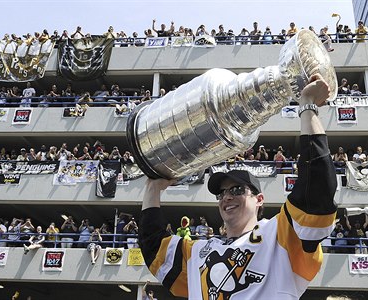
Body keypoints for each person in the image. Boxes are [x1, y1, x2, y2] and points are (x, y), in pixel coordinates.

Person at [139, 74, 337, 299]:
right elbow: (153, 246)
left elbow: (317, 190)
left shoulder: (280, 236)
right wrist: (153, 188)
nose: (226, 198)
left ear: (259, 199)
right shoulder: (199, 252)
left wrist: (307, 106)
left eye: (236, 190)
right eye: (221, 193)